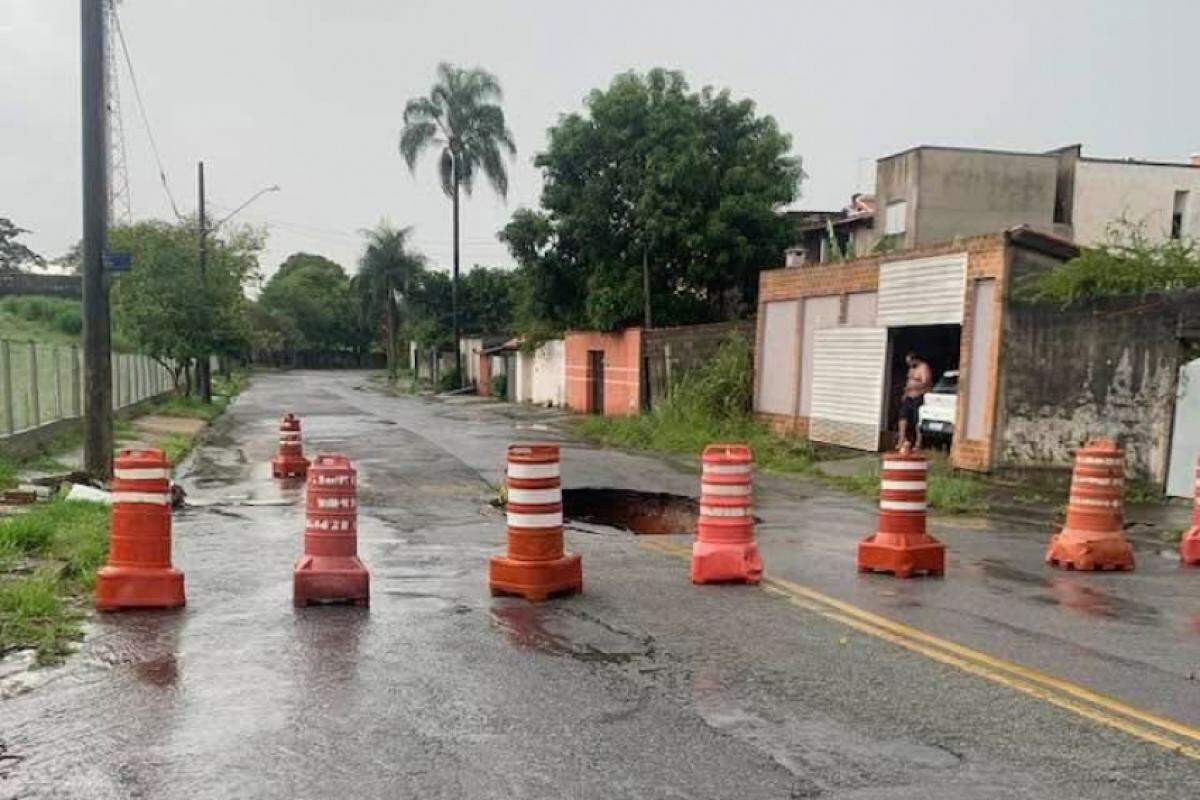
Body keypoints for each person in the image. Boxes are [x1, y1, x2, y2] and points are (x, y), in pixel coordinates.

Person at [897, 351, 932, 452]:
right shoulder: (911, 369)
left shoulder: (924, 367)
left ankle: (918, 442)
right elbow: (909, 381)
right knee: (902, 416)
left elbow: (926, 382)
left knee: (917, 419)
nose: (909, 365)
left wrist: (915, 386)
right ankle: (901, 439)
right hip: (909, 395)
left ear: (915, 360)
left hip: (919, 395)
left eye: (910, 362)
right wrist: (905, 392)